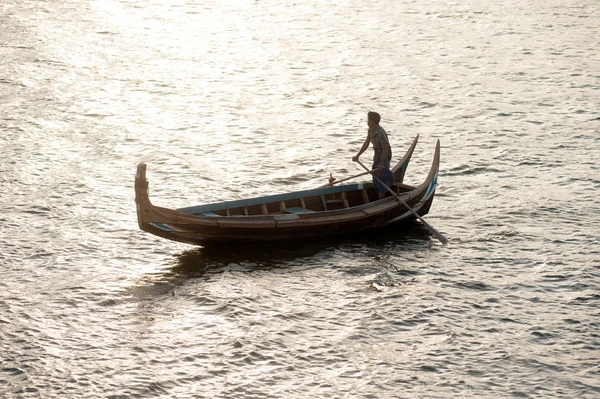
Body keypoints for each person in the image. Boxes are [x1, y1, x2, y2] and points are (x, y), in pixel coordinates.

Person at [352, 111, 393, 199]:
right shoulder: (370, 130)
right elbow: (366, 143)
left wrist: (382, 164)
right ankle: (378, 197)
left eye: (368, 120)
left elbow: (385, 149)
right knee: (375, 179)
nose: (367, 121)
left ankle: (381, 201)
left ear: (373, 121)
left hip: (384, 156)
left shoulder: (381, 132)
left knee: (381, 180)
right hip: (377, 155)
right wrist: (357, 155)